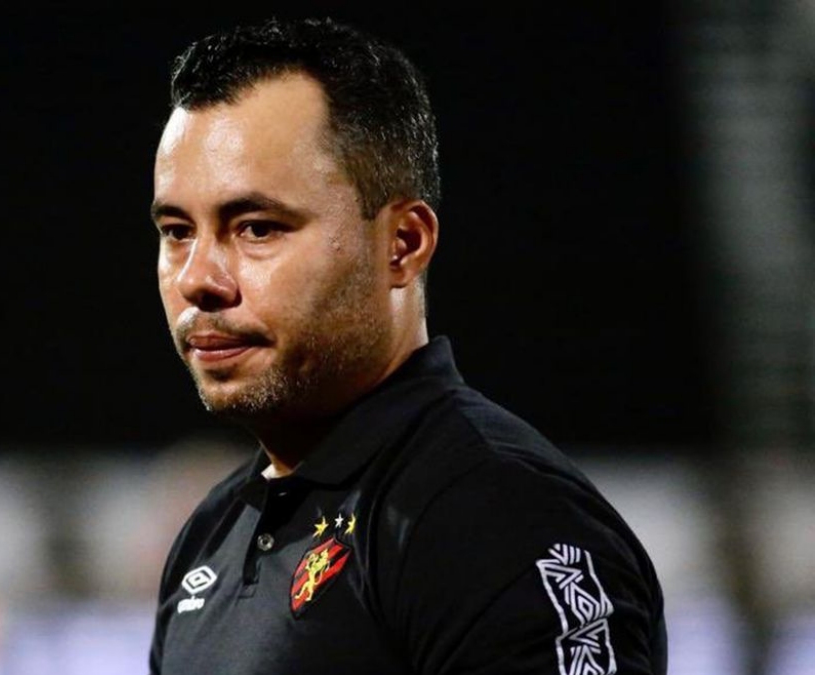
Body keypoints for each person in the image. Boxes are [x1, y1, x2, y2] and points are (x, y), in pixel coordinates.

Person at [147, 17, 667, 675]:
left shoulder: (493, 517)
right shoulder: (210, 536)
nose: (198, 278)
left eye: (257, 228)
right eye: (177, 231)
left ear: (402, 244)